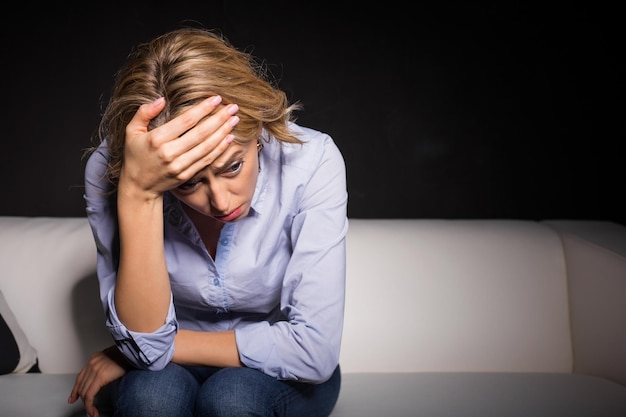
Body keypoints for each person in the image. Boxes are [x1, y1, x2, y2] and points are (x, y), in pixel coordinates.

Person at [67, 27, 348, 417]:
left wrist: (140, 349)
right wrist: (140, 192)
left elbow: (313, 352)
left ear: (259, 128)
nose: (218, 200)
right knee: (151, 401)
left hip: (281, 372)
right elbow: (147, 350)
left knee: (231, 400)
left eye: (233, 165)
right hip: (168, 368)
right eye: (186, 183)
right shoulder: (115, 171)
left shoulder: (312, 161)